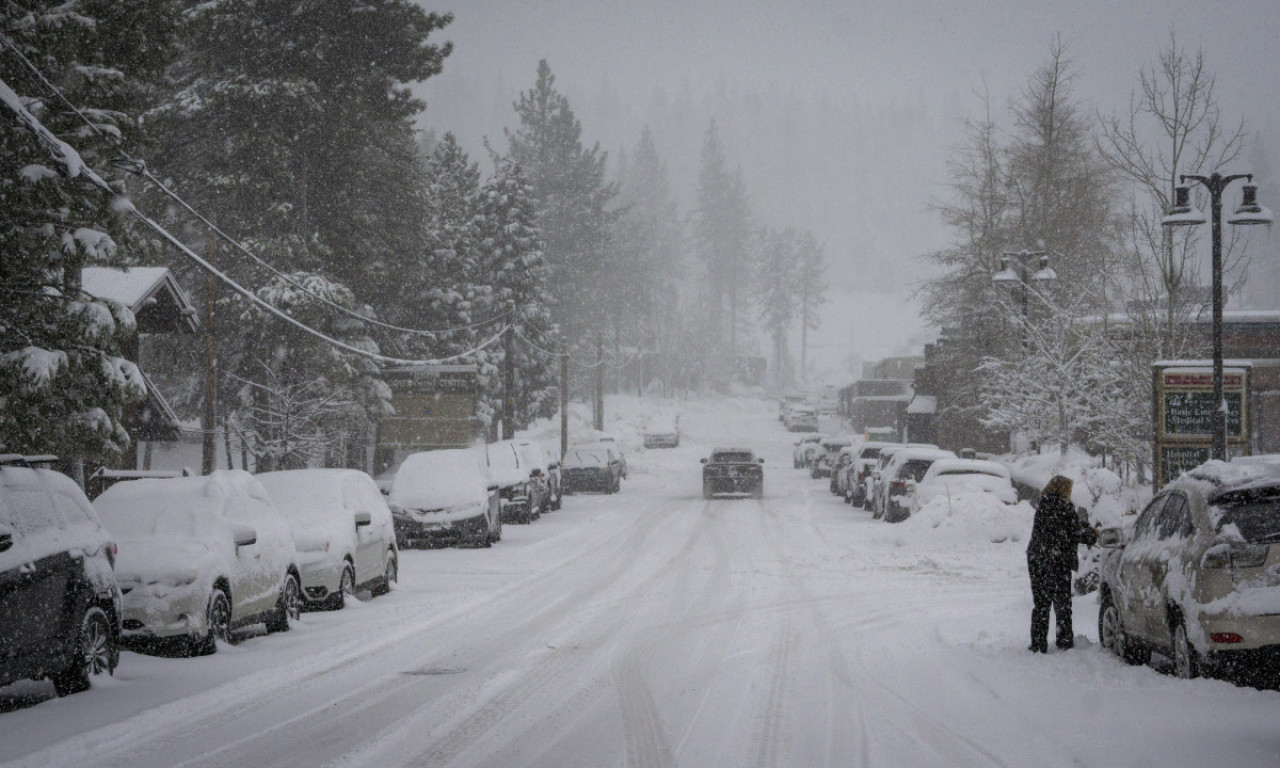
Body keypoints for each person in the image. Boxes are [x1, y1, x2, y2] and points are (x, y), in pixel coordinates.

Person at [1025, 475, 1098, 653]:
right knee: (1062, 603)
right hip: (1057, 561)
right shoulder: (1064, 507)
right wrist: (1093, 534)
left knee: (1041, 603)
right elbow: (1074, 531)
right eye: (1069, 489)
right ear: (1064, 489)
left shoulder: (1043, 505)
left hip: (1037, 559)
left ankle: (1038, 642)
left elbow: (1064, 528)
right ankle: (1064, 640)